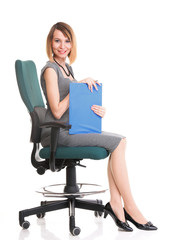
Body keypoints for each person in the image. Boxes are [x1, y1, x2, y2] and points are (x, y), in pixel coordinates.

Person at [40, 22, 157, 231]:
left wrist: (94, 111)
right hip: (58, 134)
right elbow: (57, 111)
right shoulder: (50, 70)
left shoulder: (67, 67)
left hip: (71, 128)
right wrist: (77, 88)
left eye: (67, 41)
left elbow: (72, 107)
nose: (62, 46)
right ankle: (129, 207)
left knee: (120, 141)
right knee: (119, 142)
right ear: (50, 42)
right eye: (57, 40)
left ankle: (116, 205)